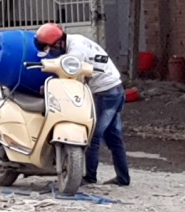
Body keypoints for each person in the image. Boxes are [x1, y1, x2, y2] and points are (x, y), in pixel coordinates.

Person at [35, 22, 129, 187]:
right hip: (116, 90)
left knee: (92, 135)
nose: (53, 52)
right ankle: (123, 177)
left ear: (58, 42)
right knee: (114, 137)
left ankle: (89, 177)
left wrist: (50, 86)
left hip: (106, 93)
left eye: (51, 48)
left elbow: (70, 77)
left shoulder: (75, 51)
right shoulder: (76, 40)